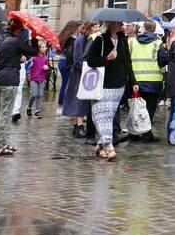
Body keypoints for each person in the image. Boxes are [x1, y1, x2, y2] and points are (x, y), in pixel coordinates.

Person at [85, 21, 134, 161]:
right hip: (102, 84)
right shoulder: (100, 39)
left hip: (119, 84)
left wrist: (133, 81)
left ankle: (101, 146)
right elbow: (90, 61)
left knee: (109, 116)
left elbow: (128, 62)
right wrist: (107, 58)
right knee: (102, 116)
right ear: (112, 24)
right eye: (119, 23)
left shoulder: (123, 40)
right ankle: (109, 146)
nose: (122, 26)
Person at [0, 16, 34, 157]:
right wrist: (36, 37)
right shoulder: (16, 41)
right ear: (18, 30)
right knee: (5, 114)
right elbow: (32, 51)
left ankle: (2, 142)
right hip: (9, 81)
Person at [129, 21, 165, 141]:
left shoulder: (133, 42)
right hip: (153, 80)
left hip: (135, 80)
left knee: (135, 108)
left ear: (144, 28)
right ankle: (147, 134)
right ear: (155, 30)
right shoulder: (158, 43)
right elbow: (161, 61)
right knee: (149, 109)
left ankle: (134, 133)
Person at [59, 20, 90, 138]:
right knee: (77, 97)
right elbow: (78, 59)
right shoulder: (79, 39)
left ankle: (78, 124)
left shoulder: (80, 38)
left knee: (77, 97)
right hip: (77, 72)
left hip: (75, 69)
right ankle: (78, 125)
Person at [25, 39, 49, 119]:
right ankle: (29, 107)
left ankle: (37, 111)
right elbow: (27, 67)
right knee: (34, 94)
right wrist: (29, 64)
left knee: (40, 95)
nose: (45, 48)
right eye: (43, 47)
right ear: (38, 48)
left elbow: (46, 68)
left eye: (45, 47)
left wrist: (47, 68)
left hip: (42, 79)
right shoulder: (33, 58)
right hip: (34, 78)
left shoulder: (45, 58)